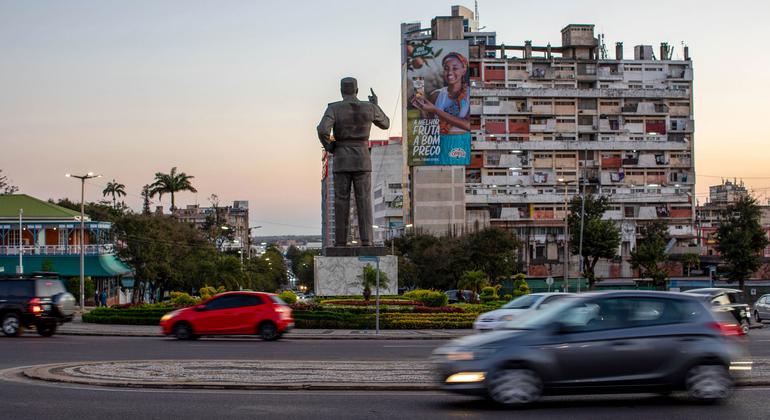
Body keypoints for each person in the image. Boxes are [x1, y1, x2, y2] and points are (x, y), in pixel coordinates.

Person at [317, 77, 390, 247]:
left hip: (342, 157)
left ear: (342, 91)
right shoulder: (369, 107)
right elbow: (385, 124)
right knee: (364, 200)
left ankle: (340, 243)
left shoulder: (334, 108)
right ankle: (367, 241)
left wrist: (330, 146)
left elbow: (322, 129)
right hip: (362, 159)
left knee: (341, 201)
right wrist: (376, 105)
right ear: (357, 90)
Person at [411, 52, 471, 133]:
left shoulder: (470, 94)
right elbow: (429, 131)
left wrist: (436, 111)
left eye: (455, 68)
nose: (449, 72)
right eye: (446, 68)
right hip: (440, 143)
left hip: (463, 144)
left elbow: (468, 125)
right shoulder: (436, 95)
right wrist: (422, 110)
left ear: (464, 70)